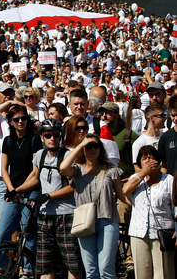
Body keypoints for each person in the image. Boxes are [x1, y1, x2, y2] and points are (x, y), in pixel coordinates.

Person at [17, 118, 83, 279]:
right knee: (45, 263)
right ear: (42, 137)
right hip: (46, 215)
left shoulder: (67, 155)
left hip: (66, 214)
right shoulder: (40, 155)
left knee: (71, 262)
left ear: (61, 136)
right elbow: (35, 177)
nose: (52, 139)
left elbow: (73, 187)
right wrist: (16, 190)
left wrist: (48, 195)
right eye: (48, 135)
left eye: (56, 135)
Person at [61, 134, 127, 279]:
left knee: (106, 269)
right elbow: (63, 167)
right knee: (91, 271)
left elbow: (122, 196)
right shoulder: (77, 170)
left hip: (107, 220)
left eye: (95, 145)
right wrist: (79, 146)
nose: (92, 149)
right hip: (84, 222)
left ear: (101, 148)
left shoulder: (111, 169)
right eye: (88, 146)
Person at [0, 103, 41, 277]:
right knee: (3, 232)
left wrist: (20, 189)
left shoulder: (34, 139)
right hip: (13, 190)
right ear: (11, 122)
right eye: (17, 119)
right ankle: (1, 268)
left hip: (30, 189)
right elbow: (4, 169)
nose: (21, 122)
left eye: (23, 118)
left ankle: (27, 271)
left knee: (28, 232)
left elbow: (35, 170)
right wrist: (11, 189)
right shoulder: (8, 140)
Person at [123, 145, 175, 279]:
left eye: (151, 158)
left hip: (162, 233)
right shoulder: (136, 178)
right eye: (144, 158)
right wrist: (142, 173)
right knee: (142, 273)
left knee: (163, 273)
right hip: (138, 233)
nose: (147, 161)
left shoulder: (169, 180)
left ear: (158, 162)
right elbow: (125, 191)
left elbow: (176, 206)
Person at [132, 105, 166, 172]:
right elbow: (137, 168)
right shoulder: (139, 142)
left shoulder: (165, 137)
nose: (164, 118)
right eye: (162, 116)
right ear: (152, 118)